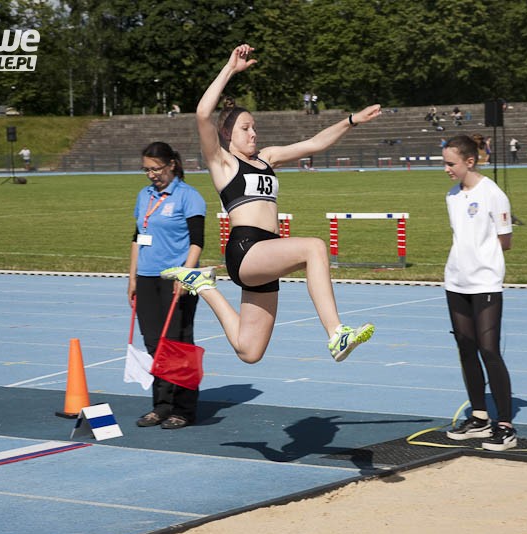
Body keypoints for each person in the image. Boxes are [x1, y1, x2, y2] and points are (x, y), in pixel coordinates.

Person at [161, 44, 380, 364]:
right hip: (246, 249)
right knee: (315, 248)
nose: (253, 133)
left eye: (254, 127)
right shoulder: (222, 163)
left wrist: (352, 120)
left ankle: (204, 285)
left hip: (268, 254)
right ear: (226, 134)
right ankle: (336, 333)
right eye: (245, 128)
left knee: (249, 350)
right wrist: (230, 69)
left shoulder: (268, 158)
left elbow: (315, 143)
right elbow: (203, 113)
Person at [440, 135, 516, 451]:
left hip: (485, 282)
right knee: (466, 348)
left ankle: (506, 426)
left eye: (451, 163)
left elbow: (505, 240)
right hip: (456, 281)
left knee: (489, 349)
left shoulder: (493, 194)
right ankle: (480, 417)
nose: (446, 169)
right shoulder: (452, 195)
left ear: (469, 161)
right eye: (444, 163)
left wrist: (482, 259)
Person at [129, 142, 207, 429]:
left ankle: (184, 409)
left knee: (178, 344)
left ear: (172, 165)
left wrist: (185, 275)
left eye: (156, 169)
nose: (151, 175)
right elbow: (137, 238)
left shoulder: (189, 196)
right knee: (154, 344)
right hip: (147, 278)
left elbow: (197, 241)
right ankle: (161, 406)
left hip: (177, 279)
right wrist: (132, 277)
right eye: (146, 170)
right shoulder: (145, 195)